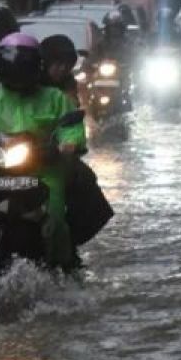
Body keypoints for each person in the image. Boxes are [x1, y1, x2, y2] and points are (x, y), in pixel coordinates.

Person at [0, 33, 87, 272]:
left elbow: (71, 127)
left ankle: (64, 267)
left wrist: (68, 143)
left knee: (56, 217)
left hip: (44, 173)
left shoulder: (55, 98)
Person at [38, 34, 114, 264]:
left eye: (66, 65)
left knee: (86, 186)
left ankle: (67, 245)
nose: (61, 69)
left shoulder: (67, 87)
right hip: (18, 152)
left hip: (54, 154)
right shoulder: (24, 84)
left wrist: (70, 143)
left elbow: (73, 118)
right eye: (56, 64)